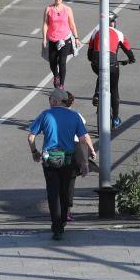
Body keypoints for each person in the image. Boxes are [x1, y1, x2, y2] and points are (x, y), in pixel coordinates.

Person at [27, 88, 95, 240]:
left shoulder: (45, 115)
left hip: (49, 159)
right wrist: (84, 163)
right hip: (68, 159)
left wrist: (34, 152)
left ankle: (56, 225)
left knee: (53, 192)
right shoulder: (74, 116)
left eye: (50, 99)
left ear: (55, 101)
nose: (49, 101)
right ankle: (63, 220)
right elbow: (82, 140)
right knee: (65, 191)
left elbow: (31, 137)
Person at [88, 12, 136, 129]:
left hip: (96, 62)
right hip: (112, 63)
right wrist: (131, 59)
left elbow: (89, 53)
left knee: (101, 73)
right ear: (113, 22)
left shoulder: (96, 32)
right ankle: (115, 119)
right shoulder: (119, 33)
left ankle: (97, 94)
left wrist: (93, 59)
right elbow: (128, 50)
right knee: (114, 89)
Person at [62, 92, 97, 222]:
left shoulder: (52, 115)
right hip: (74, 150)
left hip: (58, 149)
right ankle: (67, 211)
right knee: (70, 182)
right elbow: (84, 136)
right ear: (72, 102)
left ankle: (57, 208)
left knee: (57, 181)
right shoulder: (76, 116)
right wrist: (91, 149)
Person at [42, 0, 79, 89]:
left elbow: (72, 24)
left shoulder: (67, 9)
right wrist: (44, 38)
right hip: (52, 39)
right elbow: (45, 24)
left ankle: (61, 85)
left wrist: (76, 38)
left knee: (62, 62)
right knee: (52, 61)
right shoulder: (48, 9)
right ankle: (56, 75)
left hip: (65, 39)